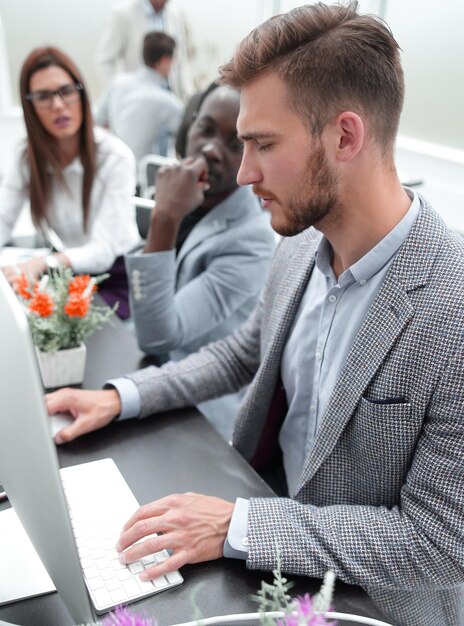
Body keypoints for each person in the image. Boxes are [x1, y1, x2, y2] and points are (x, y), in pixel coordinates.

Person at [46, 3, 464, 625]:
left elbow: (436, 545)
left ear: (345, 137)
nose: (244, 173)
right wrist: (120, 396)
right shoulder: (299, 245)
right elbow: (243, 352)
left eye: (263, 145)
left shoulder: (450, 304)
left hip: (366, 607)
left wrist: (238, 524)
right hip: (264, 559)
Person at [124, 82, 275, 439]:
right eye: (205, 129)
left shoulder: (252, 240)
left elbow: (158, 336)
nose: (210, 149)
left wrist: (164, 217)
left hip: (198, 414)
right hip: (150, 375)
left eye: (233, 143)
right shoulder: (191, 200)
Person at [0, 46, 140, 317]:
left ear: (81, 93)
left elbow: (104, 251)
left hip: (117, 277)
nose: (57, 105)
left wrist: (43, 263)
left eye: (65, 91)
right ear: (30, 106)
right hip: (68, 274)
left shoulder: (115, 156)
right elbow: (3, 217)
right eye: (43, 96)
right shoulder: (26, 157)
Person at [95, 32, 184, 168]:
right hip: (142, 178)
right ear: (166, 61)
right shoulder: (168, 103)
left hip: (110, 167)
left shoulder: (117, 82)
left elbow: (98, 121)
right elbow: (185, 140)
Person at [95, 0, 195, 103]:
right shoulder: (123, 14)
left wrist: (191, 98)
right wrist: (121, 95)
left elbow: (181, 61)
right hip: (137, 101)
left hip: (171, 98)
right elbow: (105, 62)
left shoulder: (175, 14)